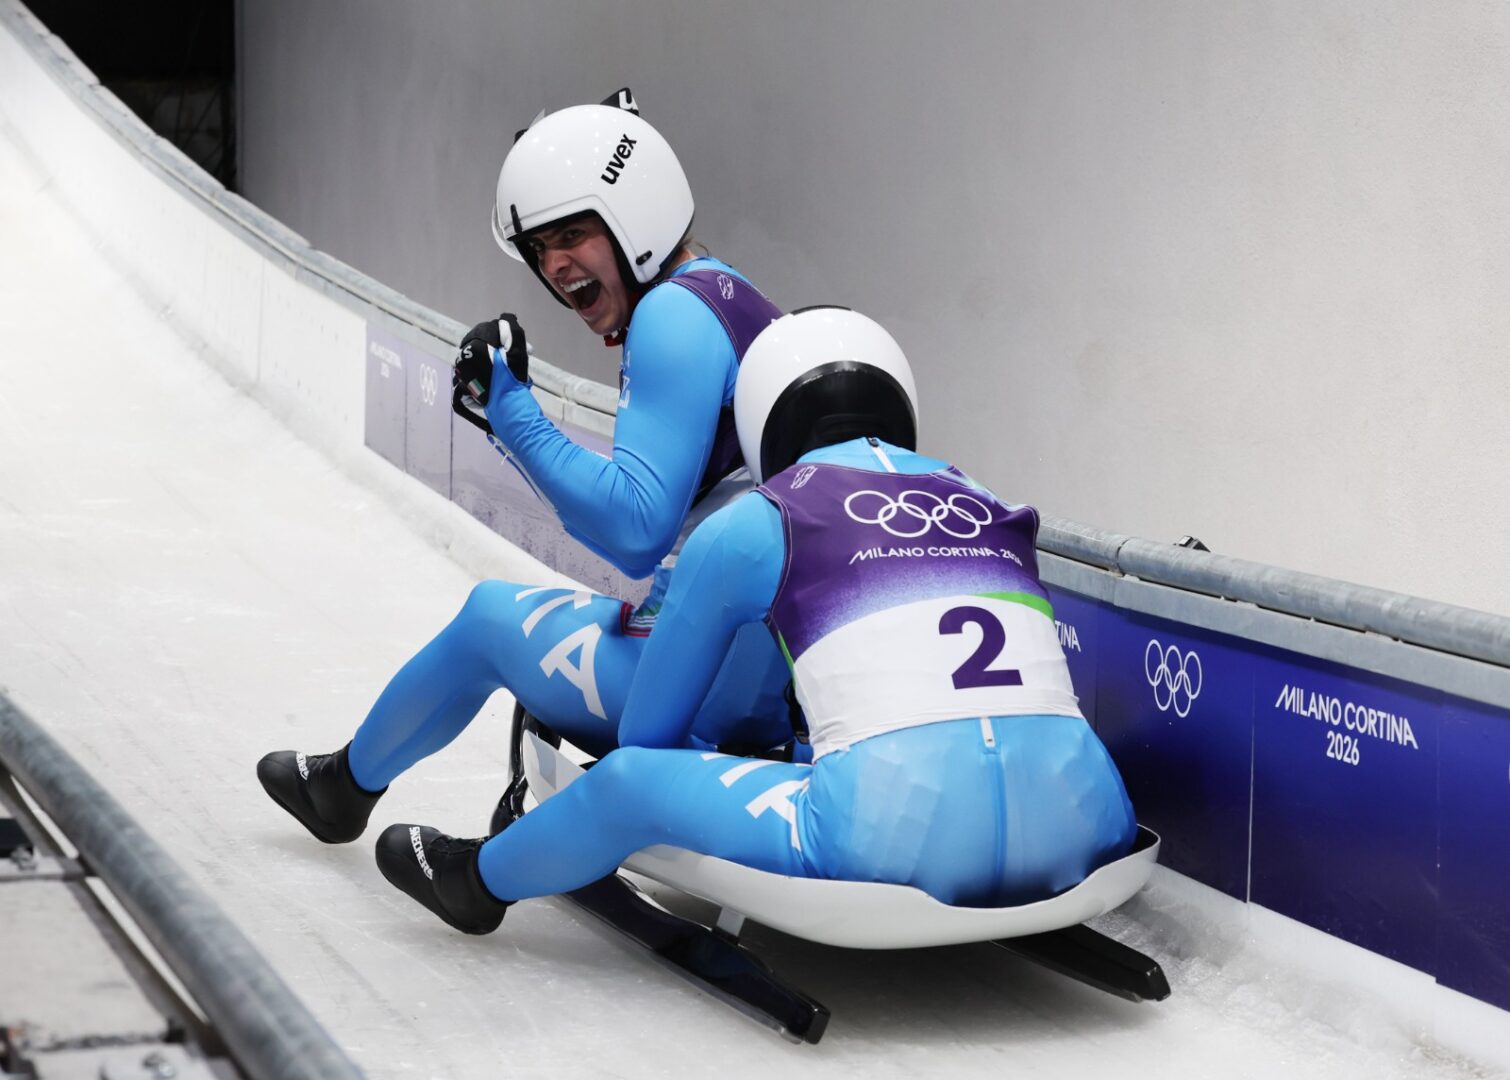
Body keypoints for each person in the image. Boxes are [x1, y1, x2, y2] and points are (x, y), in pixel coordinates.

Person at [369, 307, 1140, 935]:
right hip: (1087, 820)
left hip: (887, 835)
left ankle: (477, 881)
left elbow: (647, 734)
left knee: (628, 781)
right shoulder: (989, 500)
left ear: (765, 415)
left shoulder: (756, 520)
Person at [257, 89, 790, 847]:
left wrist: (511, 412)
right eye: (540, 248)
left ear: (636, 220)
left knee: (489, 620)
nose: (555, 265)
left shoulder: (671, 315)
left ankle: (342, 790)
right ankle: (348, 785)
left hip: (709, 682)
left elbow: (637, 529)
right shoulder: (730, 296)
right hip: (755, 665)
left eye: (572, 234)